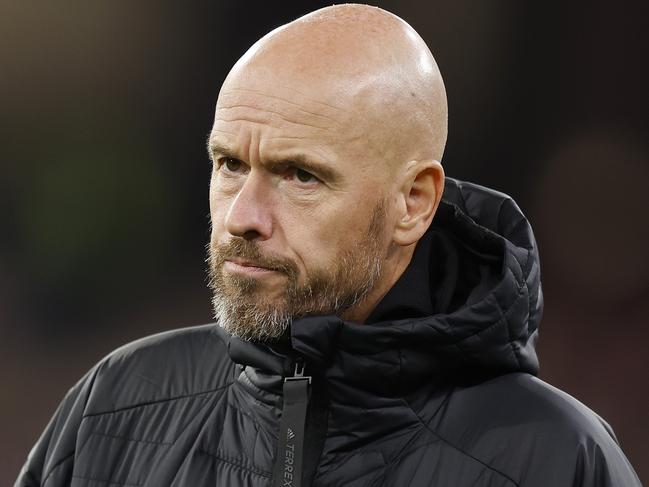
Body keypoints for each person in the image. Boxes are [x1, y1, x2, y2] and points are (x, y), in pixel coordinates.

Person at [16, 4, 642, 487]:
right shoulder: (116, 405)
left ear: (413, 203)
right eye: (230, 164)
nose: (243, 218)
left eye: (301, 176)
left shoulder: (556, 458)